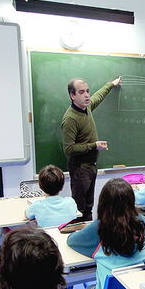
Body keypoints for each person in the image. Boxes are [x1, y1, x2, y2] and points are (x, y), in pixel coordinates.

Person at [62, 75, 122, 221]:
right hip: (80, 169)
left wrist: (111, 84)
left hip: (90, 167)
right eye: (81, 92)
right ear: (72, 95)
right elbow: (68, 149)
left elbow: (99, 96)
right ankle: (78, 240)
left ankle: (88, 239)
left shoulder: (86, 107)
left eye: (87, 91)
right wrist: (94, 146)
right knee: (80, 209)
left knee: (89, 206)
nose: (87, 95)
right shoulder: (70, 118)